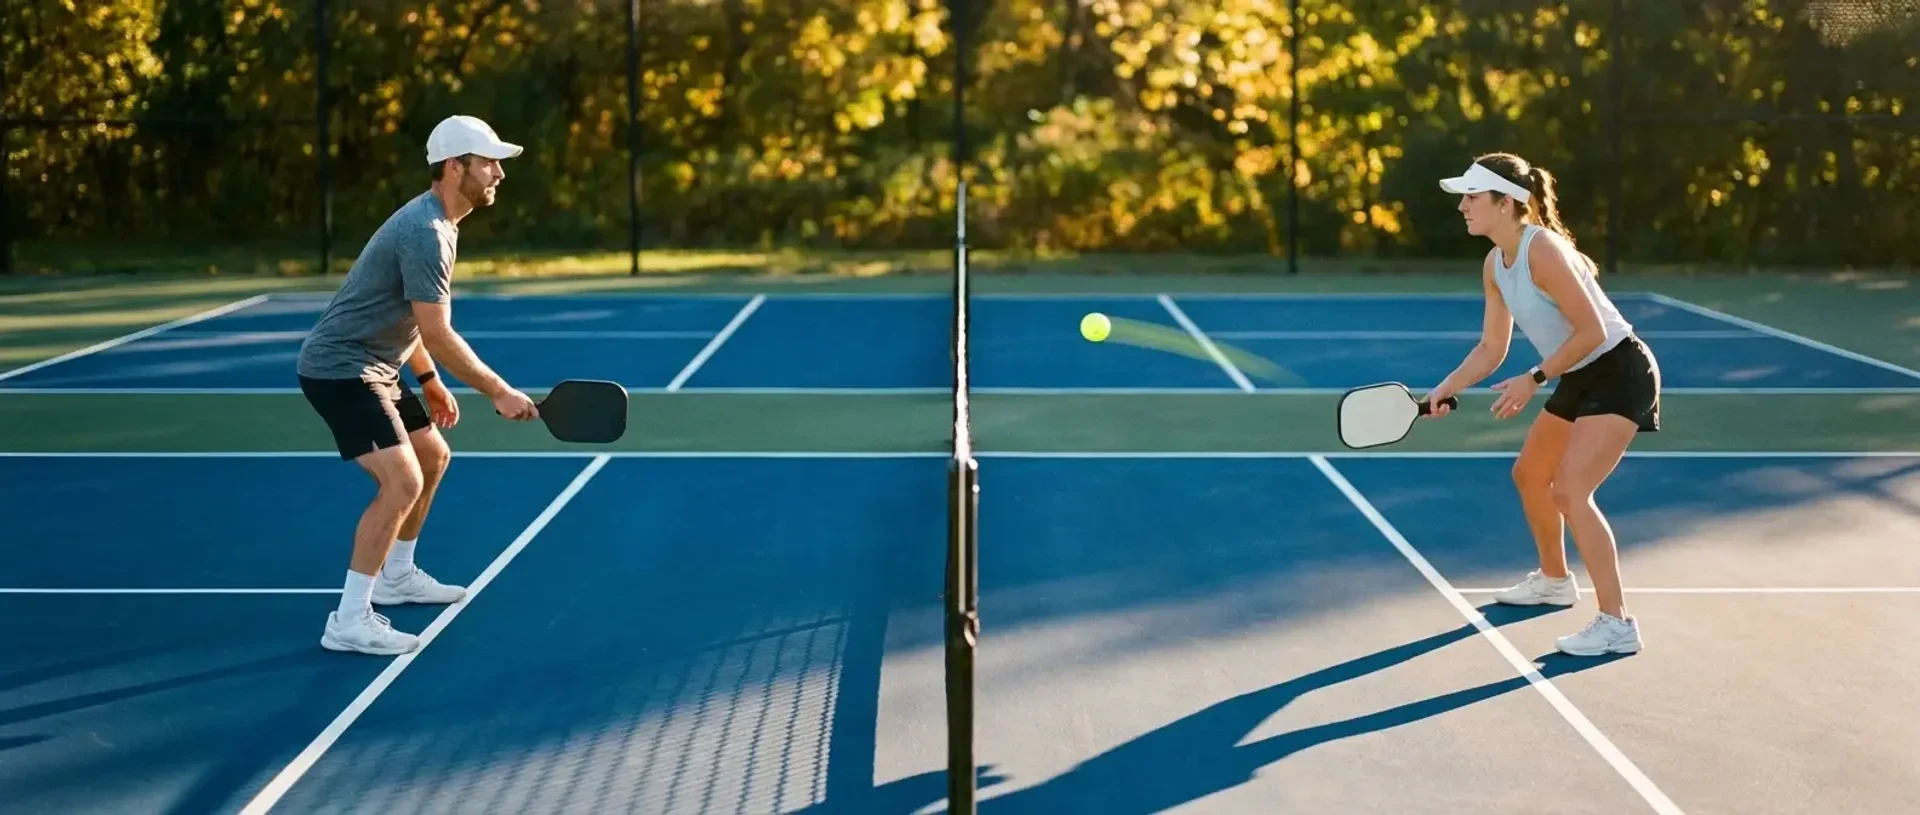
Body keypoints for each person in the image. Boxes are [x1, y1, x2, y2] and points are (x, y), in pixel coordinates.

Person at [295, 115, 541, 655]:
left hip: (379, 365)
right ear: (456, 168)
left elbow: (410, 320)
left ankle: (397, 577)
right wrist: (497, 390)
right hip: (341, 366)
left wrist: (428, 379)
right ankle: (349, 619)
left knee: (433, 457)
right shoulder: (426, 232)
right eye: (489, 163)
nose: (499, 173)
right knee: (402, 481)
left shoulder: (441, 225)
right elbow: (437, 329)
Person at [1424, 152, 1662, 657]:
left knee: (1571, 490)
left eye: (1472, 196)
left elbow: (1593, 331)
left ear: (1506, 203)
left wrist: (1534, 378)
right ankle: (1555, 581)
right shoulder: (1495, 263)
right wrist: (1447, 387)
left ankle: (1617, 624)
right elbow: (1491, 348)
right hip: (1577, 372)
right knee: (1530, 475)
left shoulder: (1543, 251)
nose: (1462, 206)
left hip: (1620, 371)